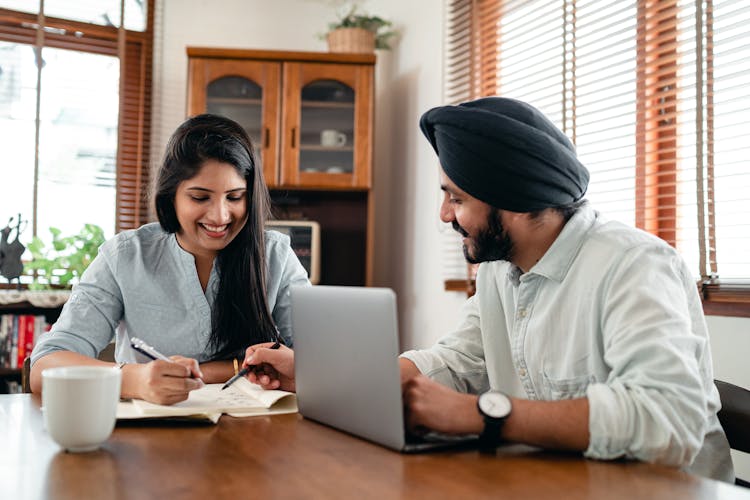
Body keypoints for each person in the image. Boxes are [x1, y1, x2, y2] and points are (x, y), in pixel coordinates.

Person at [241, 97, 733, 482]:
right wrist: (322, 375)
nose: (444, 215)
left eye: (457, 198)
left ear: (514, 200)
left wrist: (483, 416)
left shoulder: (633, 265)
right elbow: (458, 360)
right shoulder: (501, 268)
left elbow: (669, 422)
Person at [30, 114, 310, 405]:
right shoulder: (126, 256)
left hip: (259, 436)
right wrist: (134, 379)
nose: (220, 216)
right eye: (200, 198)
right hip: (150, 439)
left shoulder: (275, 255)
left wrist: (297, 371)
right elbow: (44, 368)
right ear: (170, 196)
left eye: (235, 197)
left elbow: (321, 362)